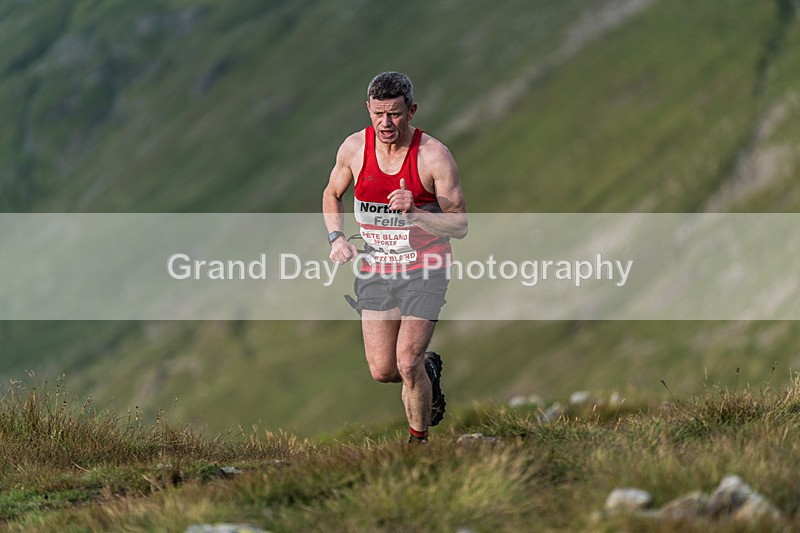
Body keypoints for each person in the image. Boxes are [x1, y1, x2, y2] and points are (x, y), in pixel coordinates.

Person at [322, 71, 467, 444]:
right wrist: (336, 237)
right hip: (376, 265)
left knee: (406, 360)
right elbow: (332, 193)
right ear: (368, 109)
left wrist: (415, 213)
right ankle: (429, 370)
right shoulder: (354, 149)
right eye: (379, 114)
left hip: (426, 267)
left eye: (396, 115)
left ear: (412, 111)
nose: (386, 123)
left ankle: (418, 445)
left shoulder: (433, 156)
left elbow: (460, 225)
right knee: (384, 370)